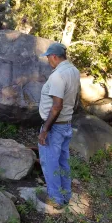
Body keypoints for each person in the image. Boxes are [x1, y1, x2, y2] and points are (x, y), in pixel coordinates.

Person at [37, 43, 80, 209]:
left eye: (48, 57)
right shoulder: (74, 71)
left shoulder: (58, 76)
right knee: (63, 161)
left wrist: (45, 130)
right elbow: (74, 99)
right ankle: (66, 194)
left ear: (54, 57)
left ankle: (55, 198)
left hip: (55, 127)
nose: (48, 61)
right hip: (66, 124)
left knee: (49, 162)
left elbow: (56, 106)